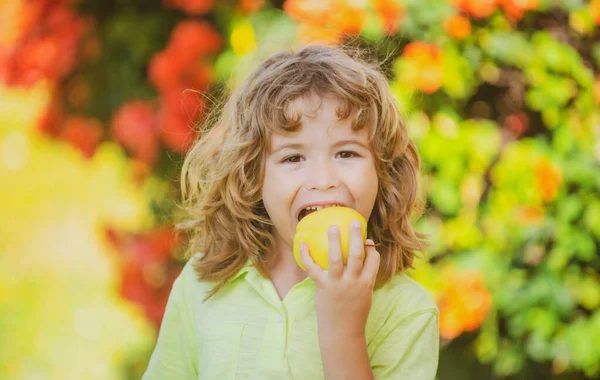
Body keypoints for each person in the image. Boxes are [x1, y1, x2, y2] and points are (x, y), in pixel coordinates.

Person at [142, 44, 439, 380]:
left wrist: (343, 331)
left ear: (382, 170)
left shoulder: (407, 311)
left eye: (347, 153)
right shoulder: (203, 284)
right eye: (293, 158)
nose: (324, 181)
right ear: (252, 176)